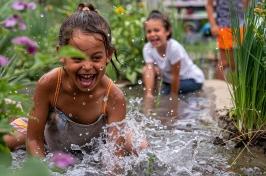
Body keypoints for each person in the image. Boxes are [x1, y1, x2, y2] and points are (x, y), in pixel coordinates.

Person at [4, 3, 146, 158]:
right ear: (62, 54)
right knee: (6, 140)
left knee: (139, 146)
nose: (87, 66)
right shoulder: (49, 84)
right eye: (77, 59)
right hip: (48, 139)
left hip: (97, 147)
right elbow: (34, 139)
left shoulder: (113, 97)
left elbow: (114, 158)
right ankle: (12, 114)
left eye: (96, 58)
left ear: (108, 55)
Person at [142, 10, 205, 100]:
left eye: (156, 30)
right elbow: (149, 70)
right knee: (146, 70)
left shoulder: (174, 48)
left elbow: (176, 76)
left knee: (165, 92)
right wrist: (149, 94)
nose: (152, 34)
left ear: (167, 31)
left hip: (192, 80)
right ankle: (150, 95)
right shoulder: (147, 48)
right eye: (149, 31)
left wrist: (173, 98)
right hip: (170, 79)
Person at [206, 0, 249, 80]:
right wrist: (213, 25)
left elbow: (245, 5)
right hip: (225, 26)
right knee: (224, 62)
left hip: (241, 26)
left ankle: (235, 88)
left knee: (239, 62)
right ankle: (220, 88)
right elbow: (209, 5)